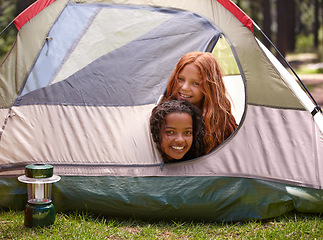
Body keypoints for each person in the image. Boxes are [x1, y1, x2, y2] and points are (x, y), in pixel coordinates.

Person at [163, 51, 237, 154]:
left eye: (195, 83)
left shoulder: (220, 121)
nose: (184, 88)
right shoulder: (163, 110)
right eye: (180, 79)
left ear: (209, 88)